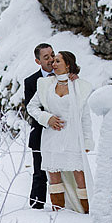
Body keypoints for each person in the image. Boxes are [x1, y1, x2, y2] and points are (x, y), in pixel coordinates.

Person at [26, 50, 94, 213]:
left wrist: (87, 140)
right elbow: (31, 106)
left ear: (68, 64)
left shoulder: (80, 86)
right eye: (52, 61)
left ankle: (86, 211)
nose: (53, 64)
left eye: (57, 61)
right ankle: (59, 211)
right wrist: (46, 118)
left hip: (72, 136)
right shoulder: (45, 84)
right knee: (54, 175)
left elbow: (85, 117)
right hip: (51, 137)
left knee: (79, 175)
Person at [22, 43, 55, 209]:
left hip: (61, 132)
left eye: (52, 55)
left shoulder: (65, 76)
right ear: (38, 61)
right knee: (40, 172)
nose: (51, 59)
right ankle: (36, 206)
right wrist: (48, 119)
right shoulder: (30, 81)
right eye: (46, 57)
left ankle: (65, 207)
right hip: (41, 133)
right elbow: (31, 110)